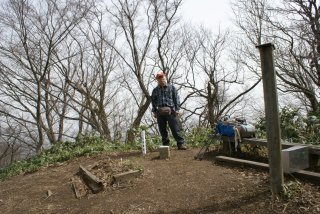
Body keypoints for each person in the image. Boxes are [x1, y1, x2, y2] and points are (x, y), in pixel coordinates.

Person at [151, 71, 187, 150]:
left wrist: (177, 109)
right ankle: (166, 145)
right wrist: (154, 111)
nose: (161, 80)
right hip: (160, 111)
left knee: (175, 128)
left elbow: (176, 98)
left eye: (162, 78)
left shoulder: (172, 88)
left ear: (165, 78)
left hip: (171, 111)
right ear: (157, 80)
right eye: (159, 79)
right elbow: (153, 101)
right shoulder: (155, 90)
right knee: (162, 130)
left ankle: (180, 144)